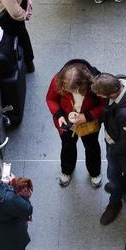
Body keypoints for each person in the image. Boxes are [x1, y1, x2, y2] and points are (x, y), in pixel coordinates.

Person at [91, 72, 126, 226]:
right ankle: (125, 186)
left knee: (113, 174)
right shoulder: (122, 80)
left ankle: (115, 203)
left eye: (99, 94)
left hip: (121, 147)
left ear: (110, 94)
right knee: (125, 172)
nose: (97, 96)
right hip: (120, 139)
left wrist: (112, 151)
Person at [45, 60, 105, 188]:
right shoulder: (58, 80)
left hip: (88, 123)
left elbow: (103, 105)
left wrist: (87, 116)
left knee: (91, 146)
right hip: (66, 122)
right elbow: (51, 99)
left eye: (73, 90)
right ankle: (67, 170)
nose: (68, 92)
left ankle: (94, 171)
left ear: (83, 84)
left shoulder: (96, 84)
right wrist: (59, 115)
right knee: (67, 146)